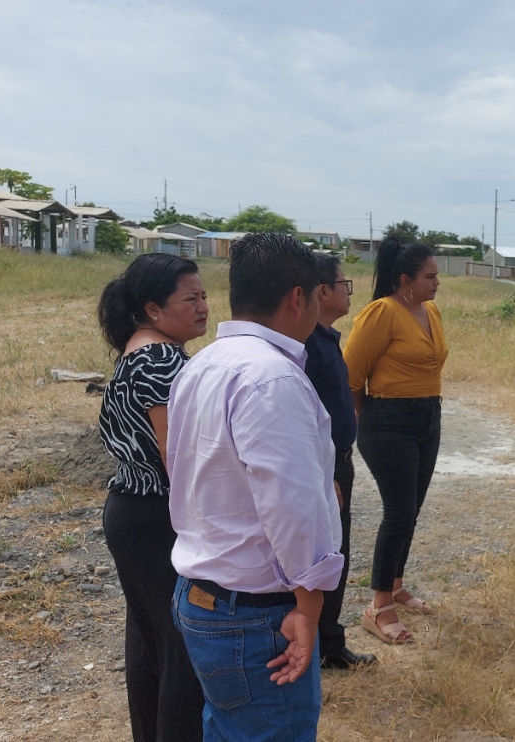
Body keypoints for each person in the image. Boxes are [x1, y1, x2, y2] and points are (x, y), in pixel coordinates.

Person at [166, 233, 344, 741]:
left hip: (204, 595)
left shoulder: (202, 364)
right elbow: (292, 508)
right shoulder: (272, 379)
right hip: (254, 613)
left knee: (227, 728)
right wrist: (309, 607)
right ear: (297, 298)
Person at [96, 253, 208, 742]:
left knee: (149, 641)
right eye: (190, 298)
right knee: (181, 645)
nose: (203, 306)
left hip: (132, 508)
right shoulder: (161, 360)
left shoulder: (136, 351)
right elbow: (175, 456)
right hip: (159, 514)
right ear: (154, 309)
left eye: (204, 296)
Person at [343, 237, 446, 644]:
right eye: (429, 276)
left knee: (411, 509)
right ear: (405, 279)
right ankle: (379, 606)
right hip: (388, 421)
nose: (437, 282)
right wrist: (365, 416)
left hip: (428, 416)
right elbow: (351, 376)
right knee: (398, 512)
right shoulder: (381, 312)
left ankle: (396, 583)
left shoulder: (430, 310)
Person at [303, 253, 377, 670]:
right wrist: (322, 472)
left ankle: (331, 643)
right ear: (322, 291)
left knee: (338, 552)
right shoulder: (307, 346)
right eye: (343, 284)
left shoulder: (326, 338)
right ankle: (314, 646)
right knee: (322, 554)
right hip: (324, 468)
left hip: (338, 463)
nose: (349, 292)